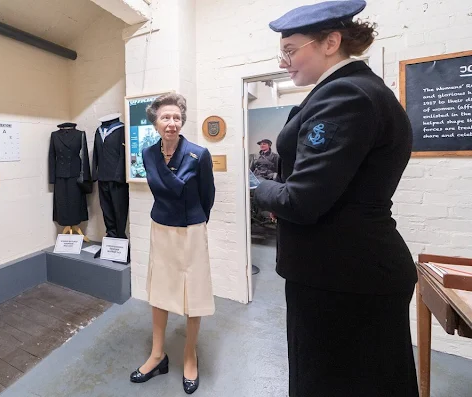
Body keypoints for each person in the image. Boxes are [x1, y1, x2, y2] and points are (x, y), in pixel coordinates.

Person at [252, 1, 419, 396]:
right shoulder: (351, 91)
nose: (284, 60)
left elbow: (301, 200)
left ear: (331, 42)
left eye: (291, 50)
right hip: (345, 270)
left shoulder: (346, 95)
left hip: (343, 276)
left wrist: (255, 187)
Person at [129, 93, 215, 395]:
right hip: (161, 227)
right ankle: (157, 355)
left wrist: (197, 222)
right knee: (159, 291)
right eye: (165, 117)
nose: (171, 122)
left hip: (191, 228)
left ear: (182, 121)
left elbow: (208, 196)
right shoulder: (148, 154)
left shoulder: (198, 154)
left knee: (195, 292)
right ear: (155, 121)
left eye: (176, 117)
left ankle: (189, 355)